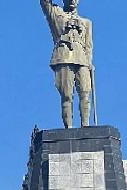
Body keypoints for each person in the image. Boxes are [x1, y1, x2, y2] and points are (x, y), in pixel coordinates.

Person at [39, 0, 94, 128]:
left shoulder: (86, 22)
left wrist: (89, 62)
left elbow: (89, 46)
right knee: (67, 95)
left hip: (82, 59)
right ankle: (69, 127)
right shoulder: (56, 13)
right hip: (64, 57)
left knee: (85, 92)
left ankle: (85, 125)